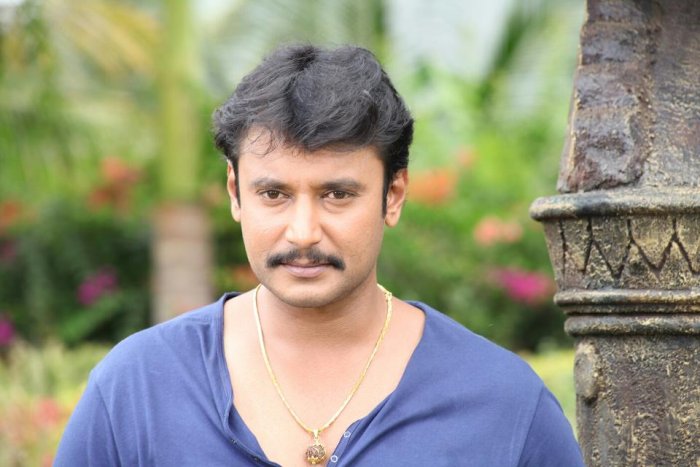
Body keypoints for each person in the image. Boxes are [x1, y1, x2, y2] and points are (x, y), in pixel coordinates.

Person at [55, 44, 583, 467]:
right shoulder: (138, 387)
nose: (303, 232)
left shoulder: (502, 402)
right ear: (235, 193)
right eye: (274, 194)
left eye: (337, 194)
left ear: (393, 195)